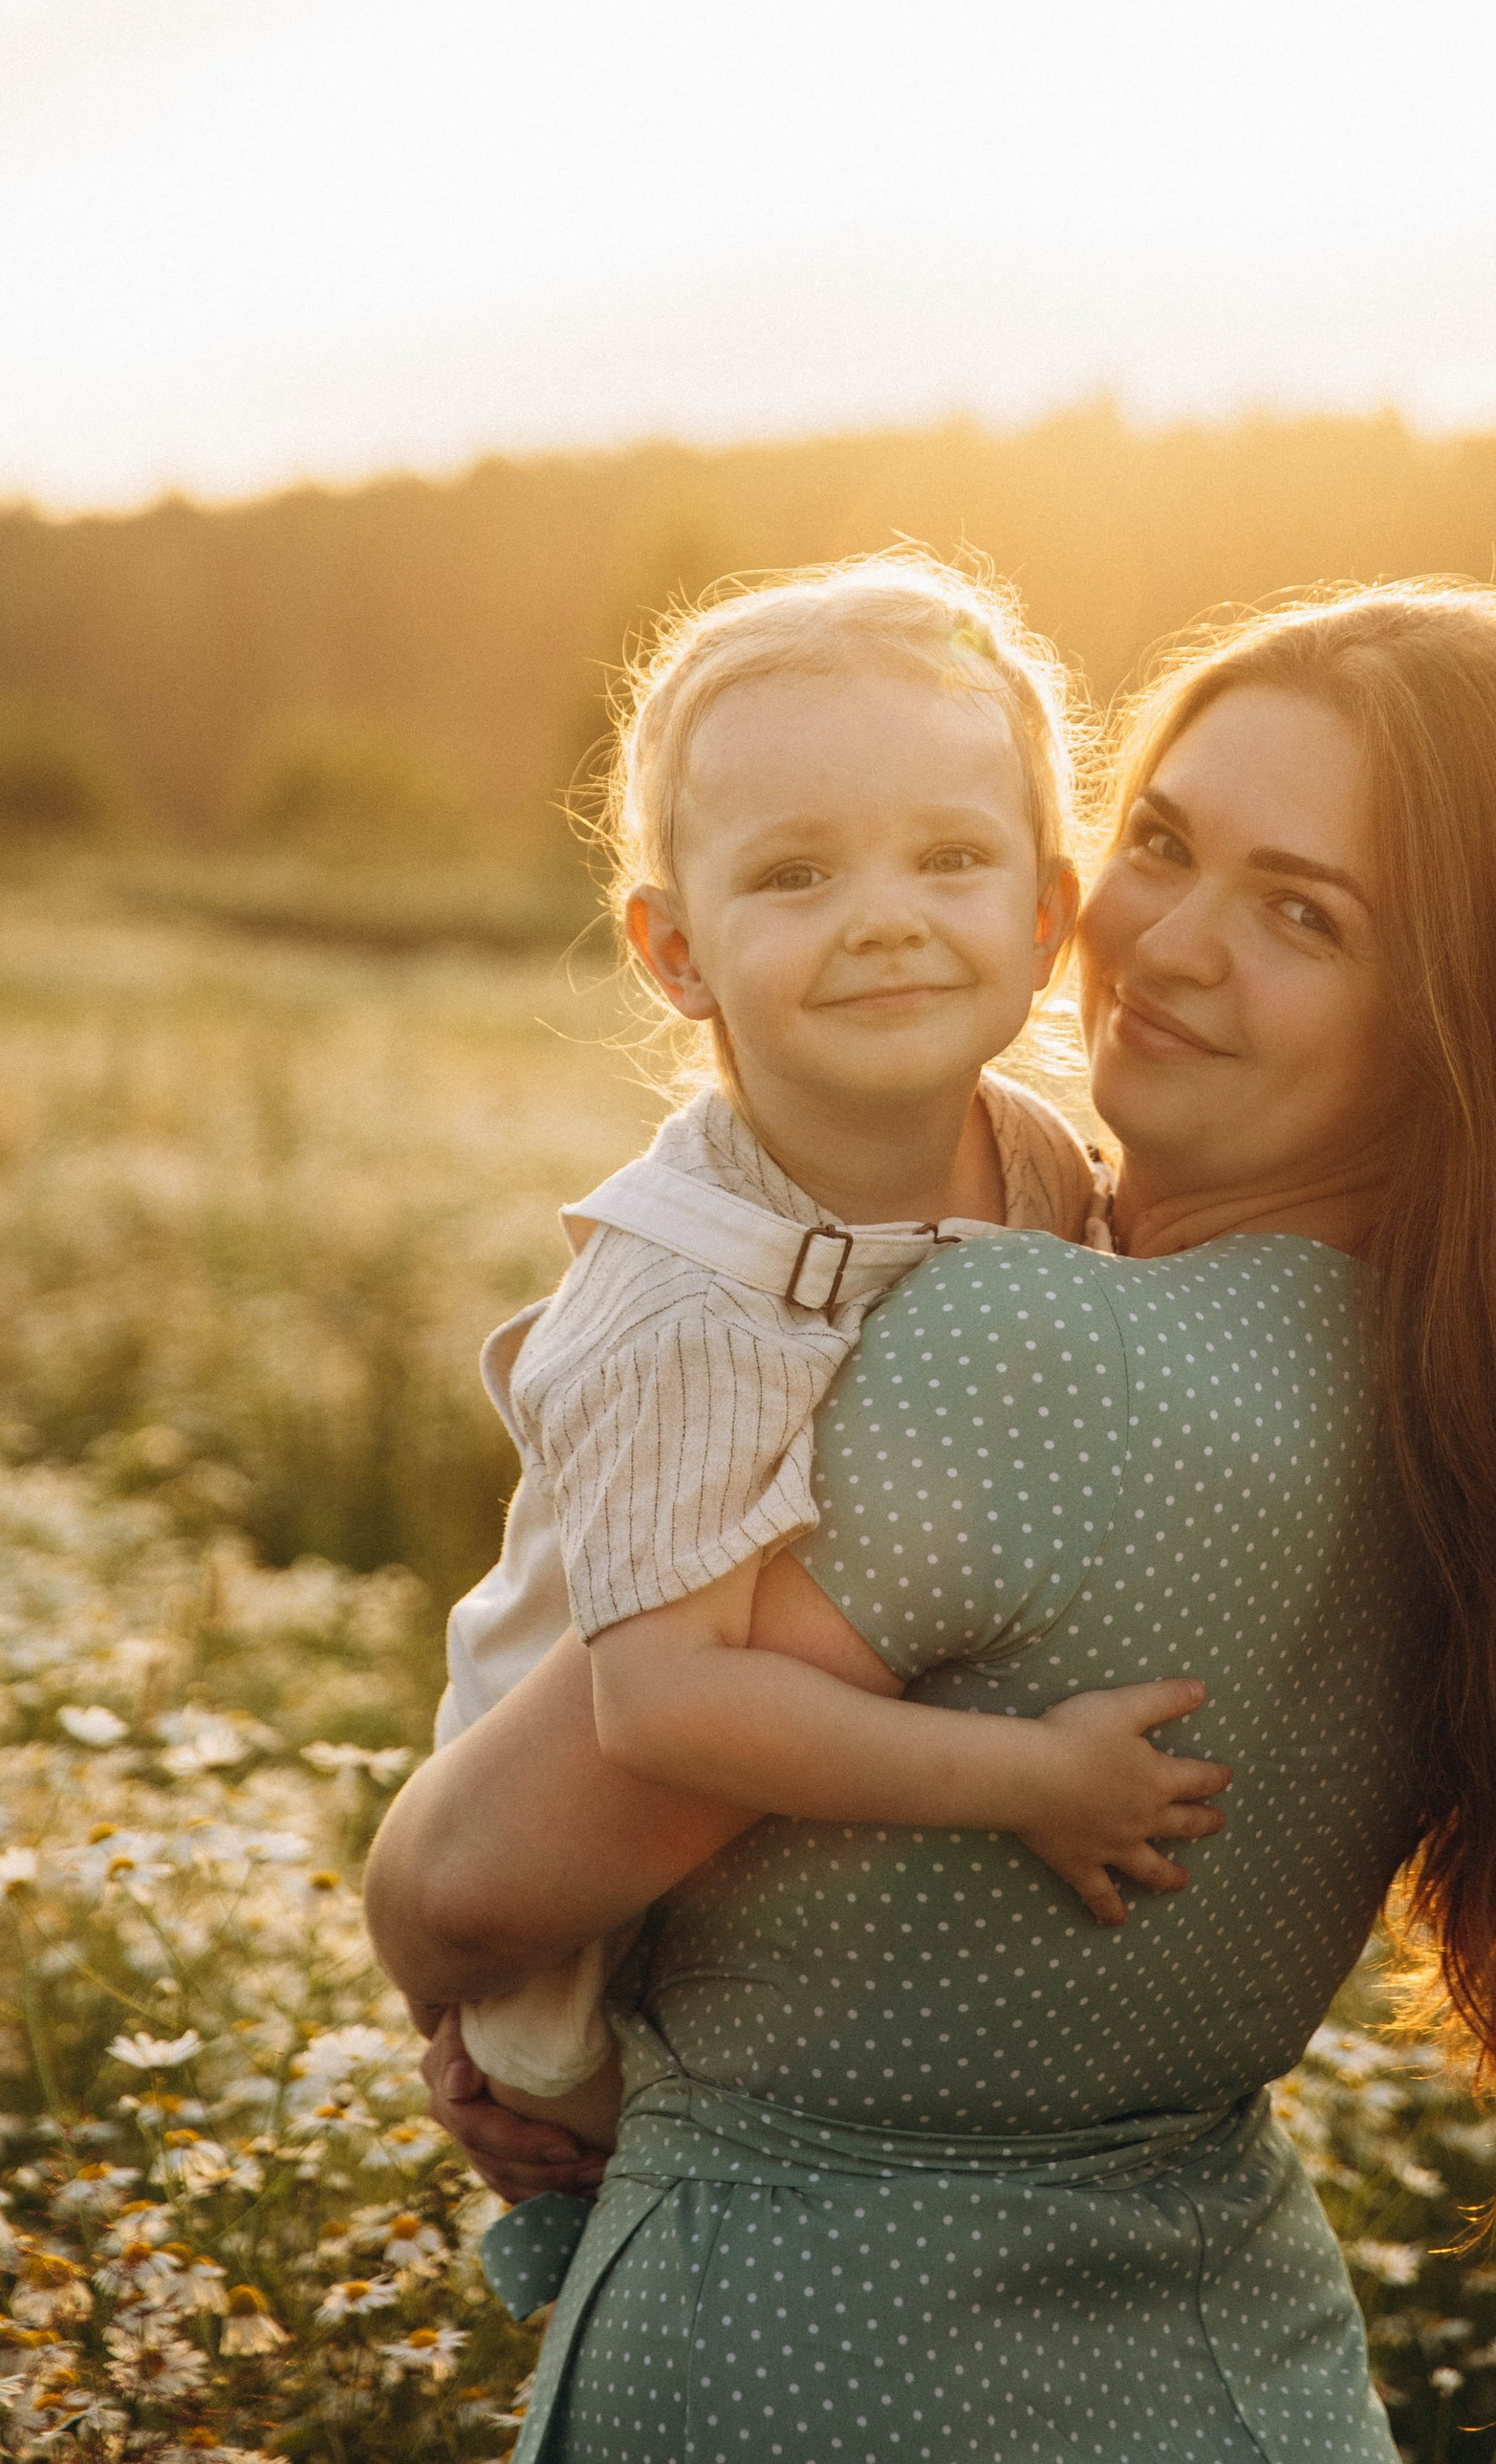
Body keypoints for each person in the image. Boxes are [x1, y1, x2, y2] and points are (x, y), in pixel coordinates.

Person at [364, 580, 1496, 2464]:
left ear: (1466, 1011)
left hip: (801, 2413)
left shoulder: (1028, 1354)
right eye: (1159, 842)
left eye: (1301, 912)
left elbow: (469, 1877)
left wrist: (470, 2011)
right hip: (1238, 2387)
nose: (1159, 942)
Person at [436, 556, 1234, 2146]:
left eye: (948, 857)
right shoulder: (681, 1305)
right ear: (676, 953)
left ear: (1042, 916)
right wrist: (1030, 1779)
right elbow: (660, 1712)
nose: (884, 919)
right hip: (577, 1914)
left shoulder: (1036, 1158)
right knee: (627, 2147)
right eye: (795, 875)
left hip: (836, 1821)